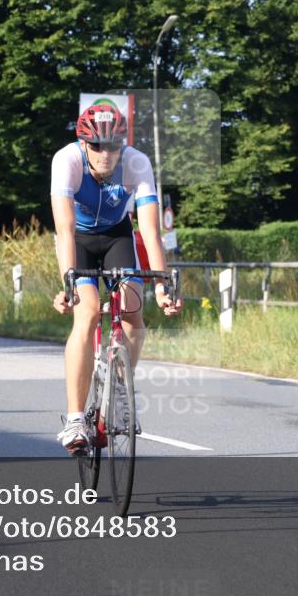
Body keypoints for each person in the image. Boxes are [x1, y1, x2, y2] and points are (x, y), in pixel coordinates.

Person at [50, 103, 182, 452]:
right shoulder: (67, 161)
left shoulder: (137, 162)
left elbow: (150, 232)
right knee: (89, 311)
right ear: (84, 144)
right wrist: (67, 282)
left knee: (133, 311)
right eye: (96, 146)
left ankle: (120, 392)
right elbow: (63, 232)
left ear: (122, 143)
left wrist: (162, 284)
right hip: (77, 239)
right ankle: (76, 418)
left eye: (112, 146)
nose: (105, 154)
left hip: (117, 236)